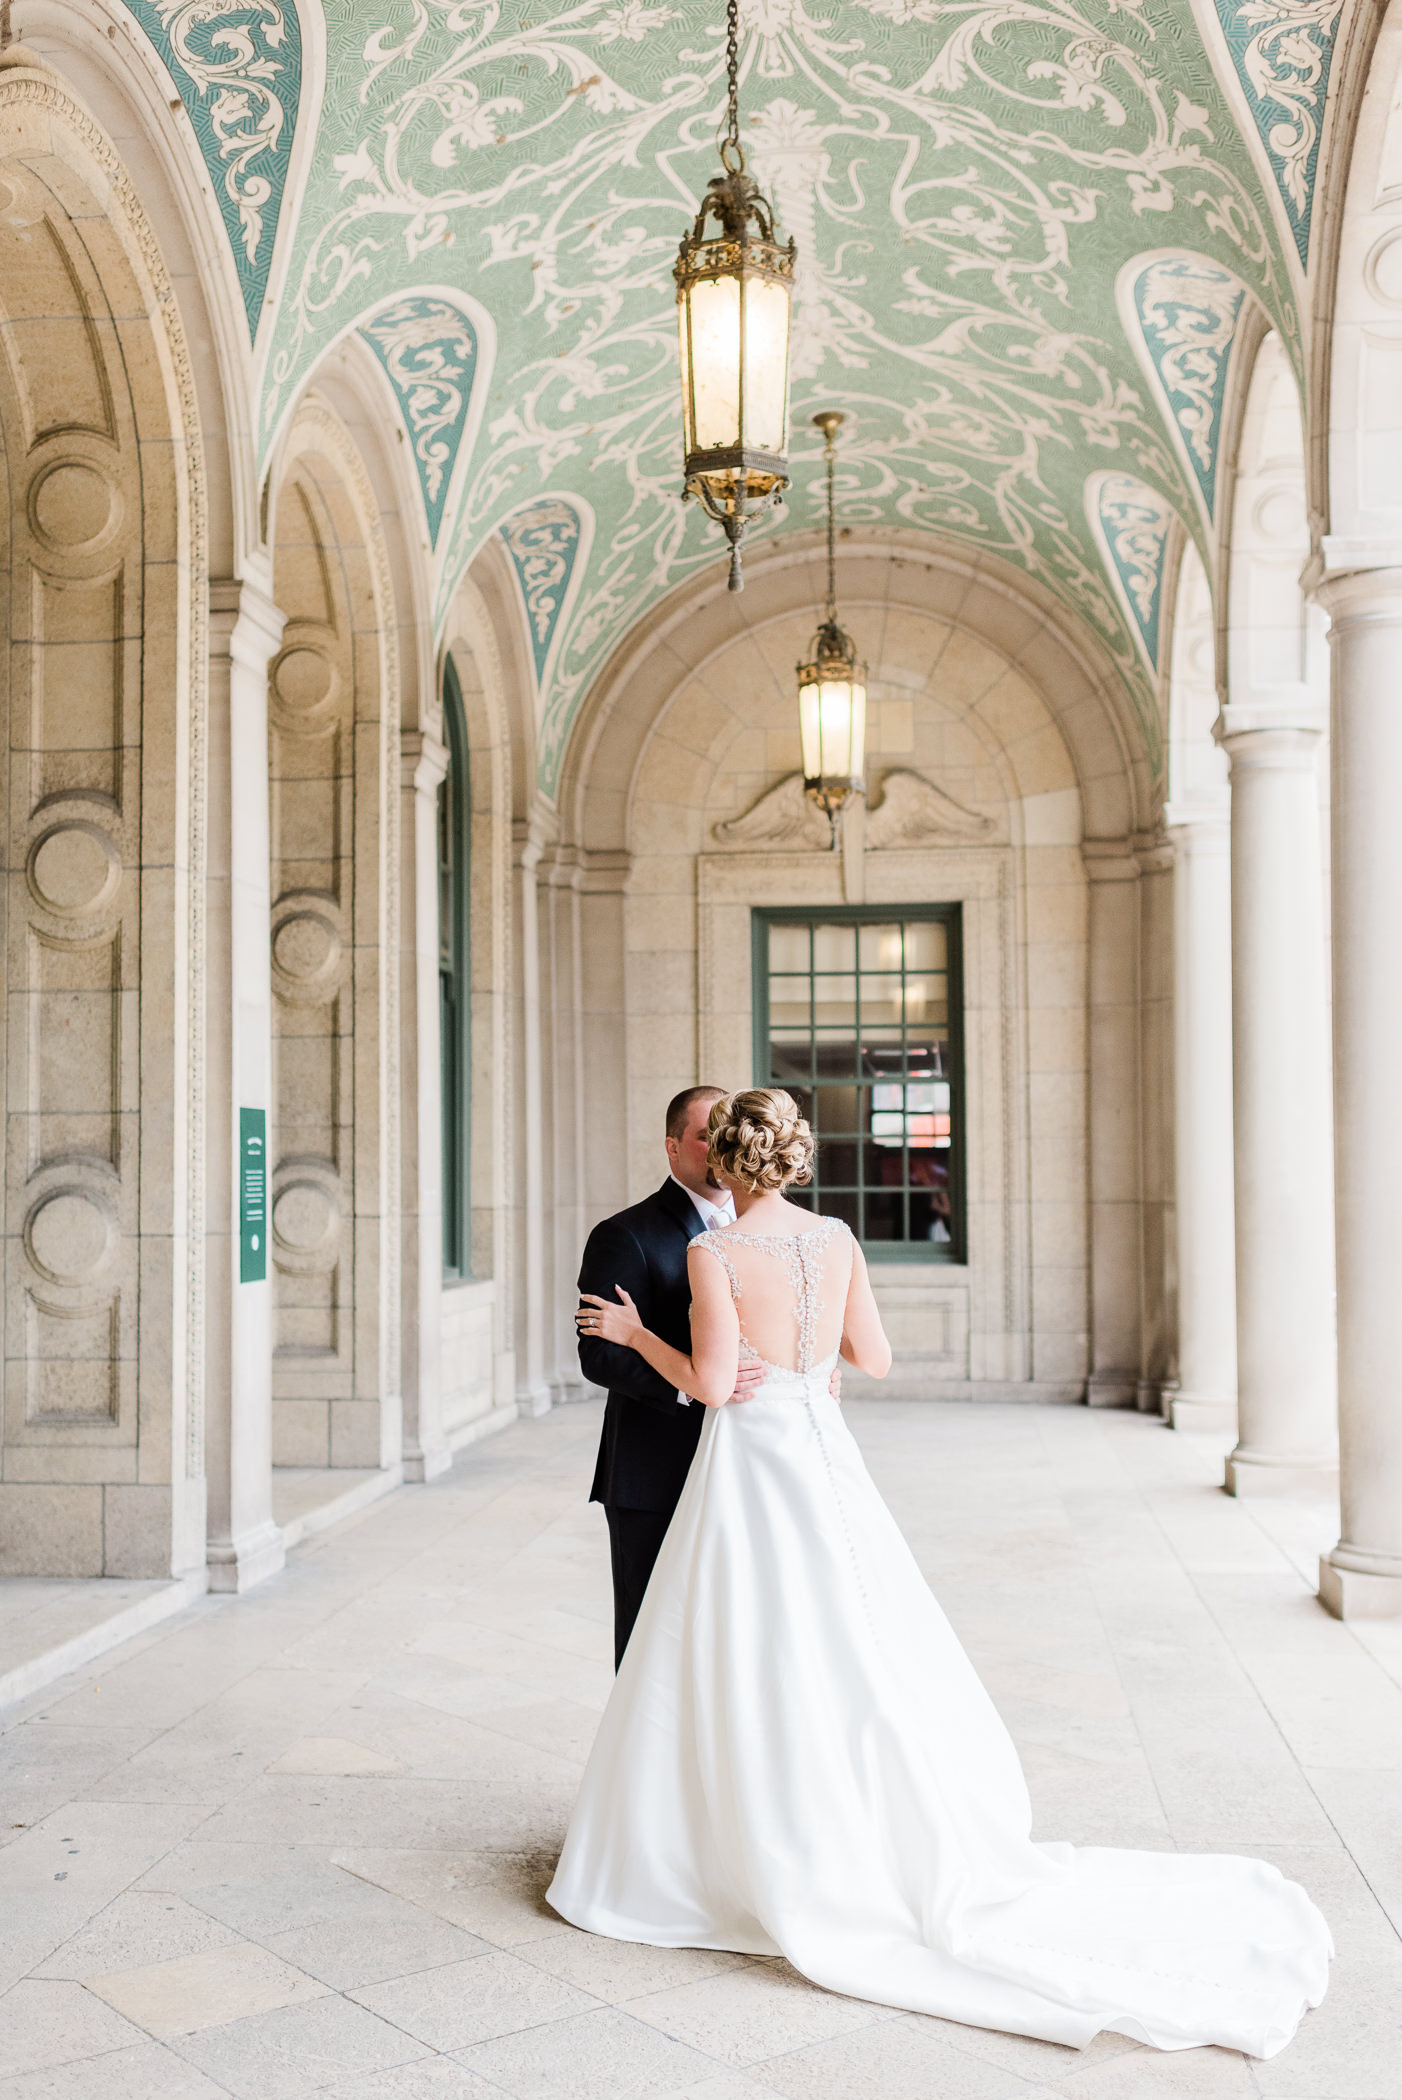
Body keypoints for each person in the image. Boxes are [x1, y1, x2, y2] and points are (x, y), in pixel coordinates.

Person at [551, 1088, 1331, 2060]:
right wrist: (808, 1356)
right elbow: (868, 1357)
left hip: (748, 1463)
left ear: (728, 1161)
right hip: (821, 1453)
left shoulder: (716, 1254)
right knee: (850, 1632)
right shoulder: (835, 1240)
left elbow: (712, 1386)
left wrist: (637, 1336)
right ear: (794, 1159)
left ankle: (733, 1821)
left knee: (746, 1638)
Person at [576, 1085, 761, 1670]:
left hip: (745, 1462)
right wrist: (694, 1383)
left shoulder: (762, 1227)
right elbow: (597, 1356)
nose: (721, 1145)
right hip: (653, 1468)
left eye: (729, 1132)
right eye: (707, 1135)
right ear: (672, 1146)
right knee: (650, 1635)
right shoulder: (623, 1234)